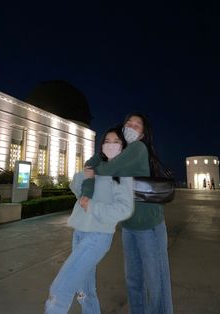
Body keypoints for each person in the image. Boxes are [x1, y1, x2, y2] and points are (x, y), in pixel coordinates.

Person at [81, 112, 173, 314]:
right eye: (128, 123)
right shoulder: (121, 150)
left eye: (137, 125)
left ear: (142, 134)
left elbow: (105, 169)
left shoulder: (138, 148)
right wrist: (103, 151)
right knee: (133, 281)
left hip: (149, 227)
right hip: (129, 227)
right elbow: (90, 164)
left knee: (156, 283)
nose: (131, 126)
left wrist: (97, 169)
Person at [44, 126, 134, 314]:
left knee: (60, 289)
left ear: (122, 147)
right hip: (79, 233)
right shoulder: (97, 168)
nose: (110, 145)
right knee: (85, 290)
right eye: (107, 141)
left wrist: (93, 207)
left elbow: (124, 209)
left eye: (115, 142)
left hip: (98, 236)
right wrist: (84, 175)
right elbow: (77, 189)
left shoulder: (122, 173)